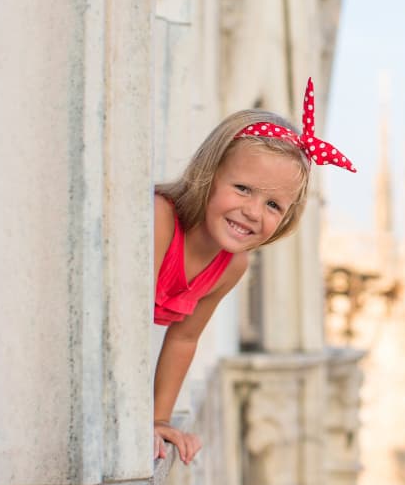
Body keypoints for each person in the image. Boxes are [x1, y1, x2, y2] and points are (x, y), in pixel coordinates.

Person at [151, 77, 355, 464]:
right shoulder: (160, 221)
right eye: (243, 189)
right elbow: (117, 325)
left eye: (274, 205)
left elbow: (184, 339)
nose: (253, 212)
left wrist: (158, 419)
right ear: (209, 174)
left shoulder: (231, 265)